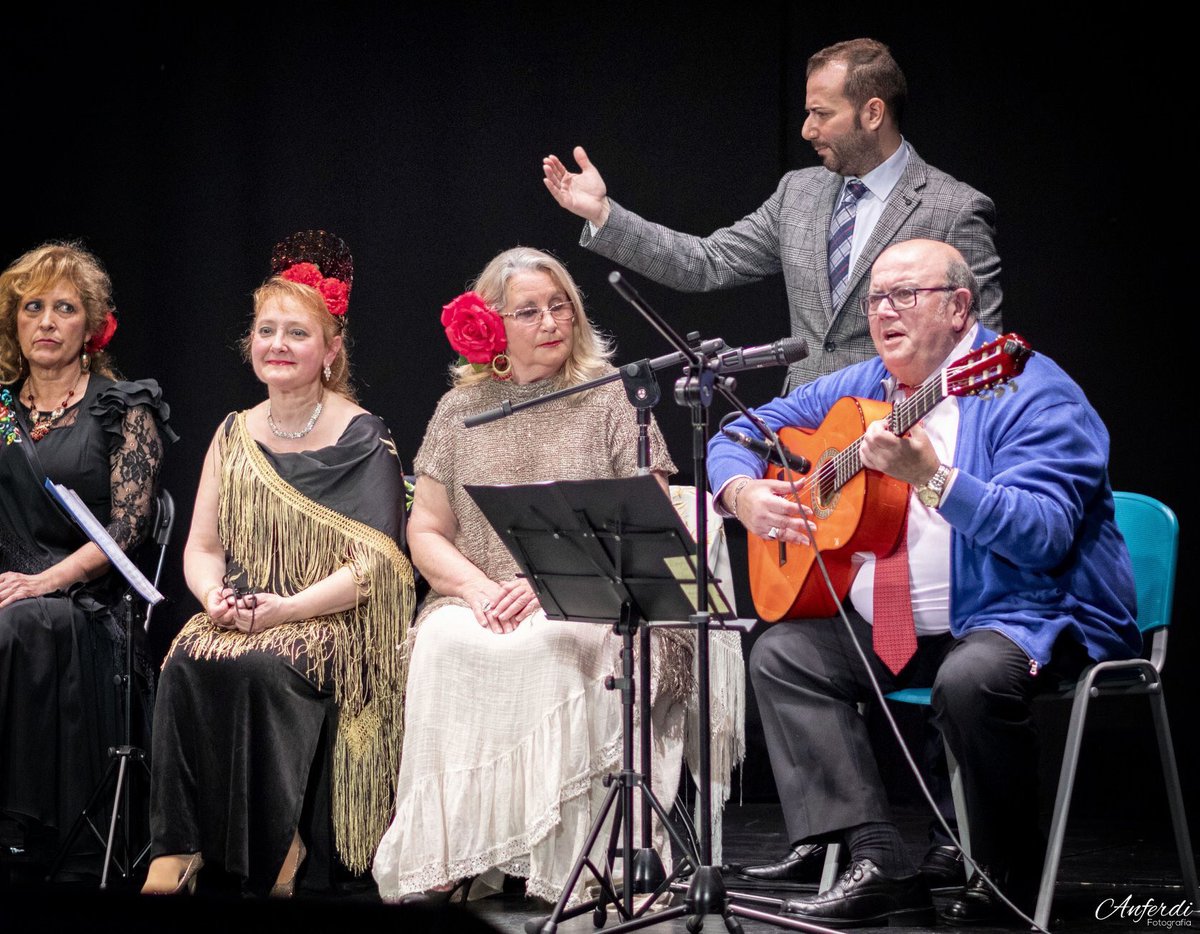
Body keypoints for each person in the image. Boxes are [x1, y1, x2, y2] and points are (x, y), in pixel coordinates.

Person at [706, 238, 1140, 927]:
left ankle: (1004, 874)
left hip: (1027, 617)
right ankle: (874, 857)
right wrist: (740, 494)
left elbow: (1046, 534)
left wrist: (934, 480)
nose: (884, 311)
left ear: (960, 307)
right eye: (877, 297)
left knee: (973, 679)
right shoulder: (864, 385)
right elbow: (739, 430)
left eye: (905, 294)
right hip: (902, 626)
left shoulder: (1028, 389)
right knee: (784, 654)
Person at [372, 246, 737, 906]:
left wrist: (545, 589)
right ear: (491, 326)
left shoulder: (614, 398)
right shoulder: (458, 412)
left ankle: (568, 861)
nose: (550, 321)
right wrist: (477, 590)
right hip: (482, 597)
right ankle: (448, 855)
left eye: (559, 304)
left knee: (550, 647)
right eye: (529, 310)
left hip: (595, 597)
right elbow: (425, 530)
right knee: (442, 646)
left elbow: (647, 520)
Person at [141, 231, 415, 897]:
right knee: (184, 658)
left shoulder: (365, 434)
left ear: (330, 350)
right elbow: (203, 548)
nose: (278, 345)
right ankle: (177, 849)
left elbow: (377, 567)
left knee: (265, 663)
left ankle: (284, 846)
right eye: (267, 330)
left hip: (330, 619)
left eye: (297, 332)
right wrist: (213, 598)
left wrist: (286, 609)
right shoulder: (234, 432)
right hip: (245, 607)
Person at [543, 37, 1002, 391]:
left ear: (873, 112)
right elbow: (706, 262)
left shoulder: (954, 210)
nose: (807, 129)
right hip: (801, 434)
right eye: (807, 113)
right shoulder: (797, 192)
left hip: (899, 439)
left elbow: (980, 355)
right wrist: (603, 213)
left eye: (821, 113)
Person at [0, 241, 175, 879]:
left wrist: (45, 580)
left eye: (64, 308)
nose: (46, 321)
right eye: (32, 307)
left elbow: (128, 528)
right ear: (14, 323)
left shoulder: (121, 407)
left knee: (19, 622)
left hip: (90, 605)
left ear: (91, 325)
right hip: (10, 585)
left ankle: (20, 824)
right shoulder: (0, 413)